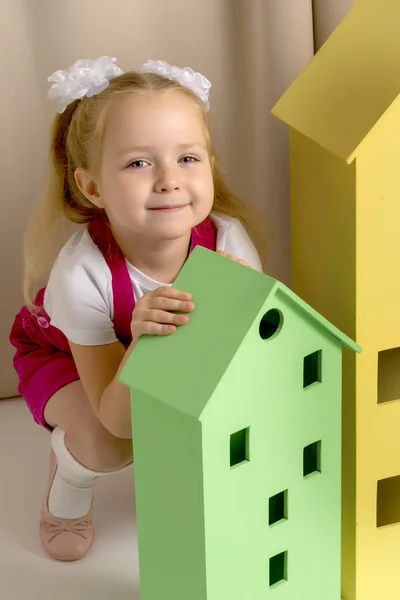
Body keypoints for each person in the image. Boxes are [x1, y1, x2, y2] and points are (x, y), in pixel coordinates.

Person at [9, 56, 265, 562]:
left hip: (156, 355)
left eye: (188, 158)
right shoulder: (82, 274)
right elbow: (119, 419)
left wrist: (239, 314)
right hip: (71, 362)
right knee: (111, 446)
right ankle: (68, 481)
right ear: (92, 187)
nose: (169, 180)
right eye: (138, 163)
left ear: (210, 166)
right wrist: (144, 342)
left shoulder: (228, 240)